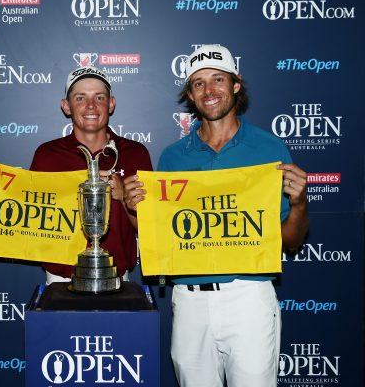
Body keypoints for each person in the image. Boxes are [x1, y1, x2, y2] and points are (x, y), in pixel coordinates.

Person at [124, 44, 309, 387]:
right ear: (190, 96)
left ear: (235, 85)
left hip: (249, 296)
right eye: (198, 84)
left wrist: (299, 205)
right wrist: (134, 210)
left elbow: (291, 241)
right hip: (190, 300)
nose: (209, 91)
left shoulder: (269, 150)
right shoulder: (172, 157)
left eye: (217, 79)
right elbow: (158, 239)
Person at [30, 66, 153, 284]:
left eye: (99, 97)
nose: (90, 106)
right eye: (80, 98)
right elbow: (31, 222)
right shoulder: (47, 155)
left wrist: (124, 198)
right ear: (66, 106)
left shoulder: (135, 153)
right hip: (61, 279)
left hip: (117, 277)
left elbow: (152, 229)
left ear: (111, 103)